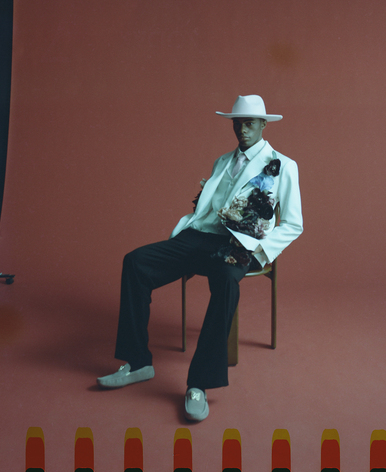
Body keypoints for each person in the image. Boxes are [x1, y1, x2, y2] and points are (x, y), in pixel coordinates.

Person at [97, 95, 303, 421]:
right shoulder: (222, 161)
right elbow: (209, 207)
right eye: (238, 123)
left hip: (241, 245)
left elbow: (293, 223)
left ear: (263, 125)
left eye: (250, 123)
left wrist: (258, 251)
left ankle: (199, 383)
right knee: (136, 262)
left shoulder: (283, 165)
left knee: (225, 282)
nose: (243, 129)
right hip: (200, 237)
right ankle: (138, 363)